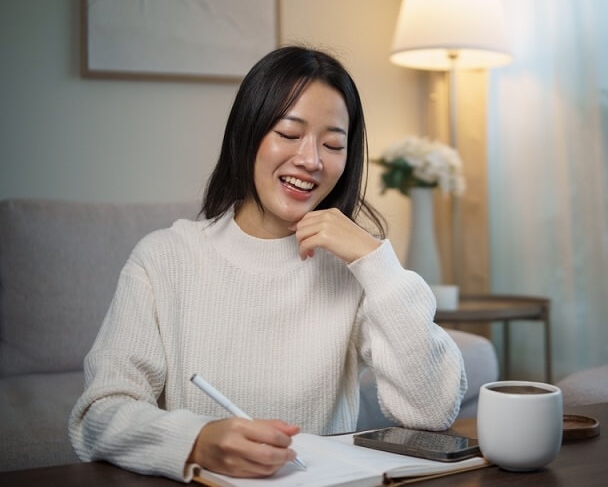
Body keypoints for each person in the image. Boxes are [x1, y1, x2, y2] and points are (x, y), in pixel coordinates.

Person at [68, 45, 467, 482]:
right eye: (289, 134)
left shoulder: (353, 271)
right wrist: (197, 441)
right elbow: (98, 416)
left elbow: (431, 410)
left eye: (333, 144)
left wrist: (376, 261)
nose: (311, 160)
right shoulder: (164, 258)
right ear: (247, 134)